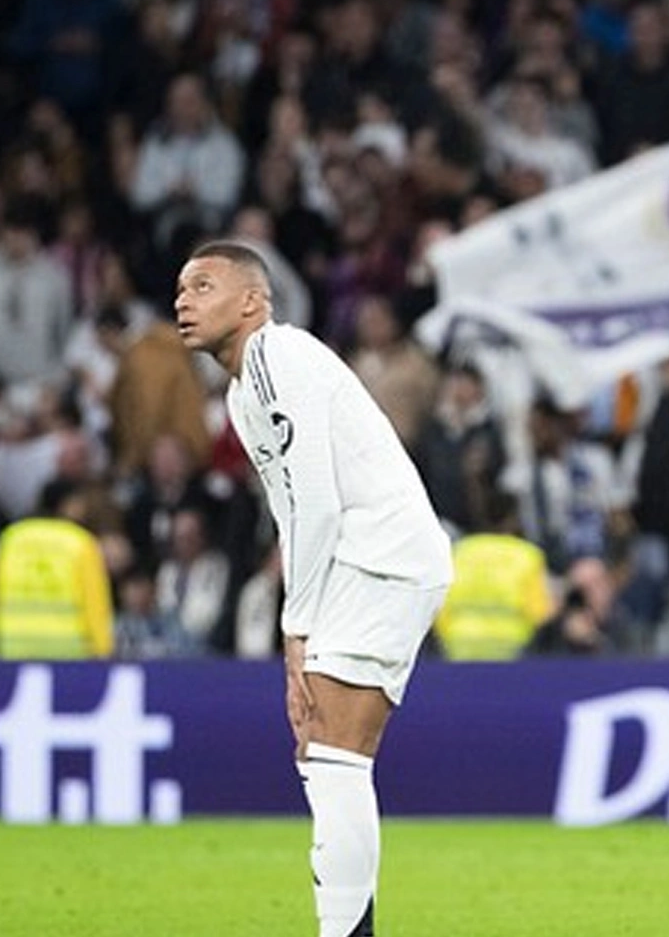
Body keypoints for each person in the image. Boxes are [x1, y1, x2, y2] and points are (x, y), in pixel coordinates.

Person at [174, 241, 453, 937]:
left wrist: (295, 628)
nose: (183, 301)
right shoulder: (243, 390)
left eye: (202, 286)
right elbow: (295, 507)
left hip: (378, 555)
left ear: (252, 301)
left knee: (334, 756)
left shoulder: (276, 358)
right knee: (323, 757)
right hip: (365, 559)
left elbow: (315, 505)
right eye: (180, 289)